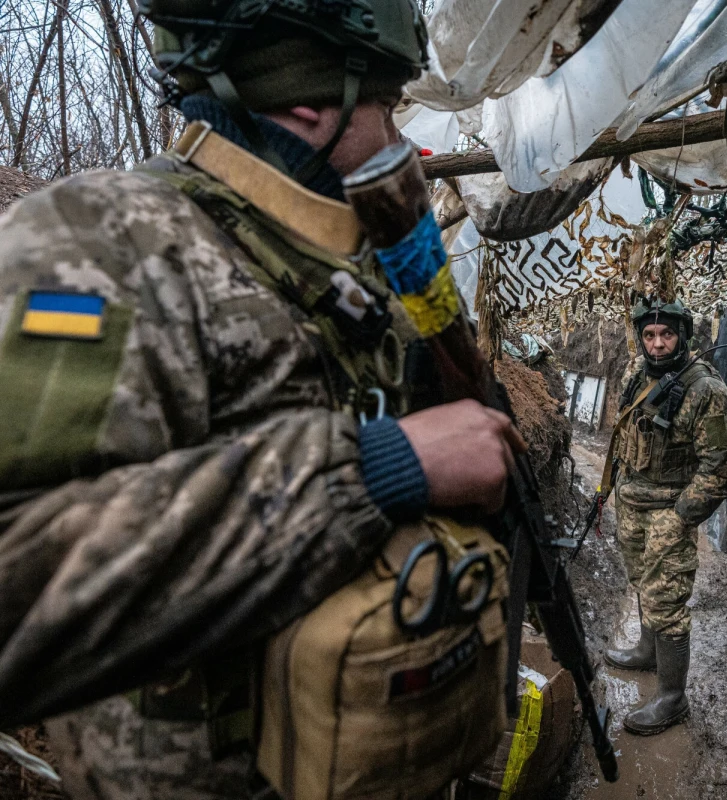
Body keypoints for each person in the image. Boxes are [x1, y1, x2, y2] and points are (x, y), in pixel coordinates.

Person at [0, 1, 522, 797]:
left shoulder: (344, 249)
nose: (396, 139)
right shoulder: (104, 239)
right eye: (385, 107)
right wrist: (379, 471)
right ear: (311, 101)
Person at [603, 297, 727, 735]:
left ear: (682, 336)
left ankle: (672, 697)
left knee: (668, 602)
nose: (657, 344)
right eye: (649, 335)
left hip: (669, 513)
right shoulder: (634, 374)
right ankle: (647, 649)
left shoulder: (706, 392)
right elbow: (624, 433)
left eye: (666, 335)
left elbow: (722, 467)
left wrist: (680, 517)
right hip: (632, 504)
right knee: (642, 582)